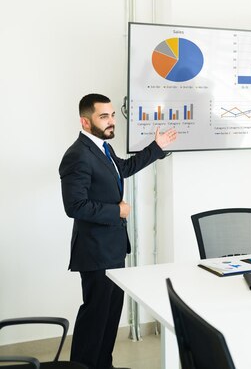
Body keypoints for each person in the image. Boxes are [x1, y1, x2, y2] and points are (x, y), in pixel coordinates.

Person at [59, 93, 177, 369]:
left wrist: (156, 147)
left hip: (112, 249)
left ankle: (104, 365)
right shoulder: (77, 155)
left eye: (112, 115)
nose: (112, 121)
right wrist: (117, 211)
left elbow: (123, 169)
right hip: (95, 251)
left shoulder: (103, 148)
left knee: (110, 316)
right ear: (85, 122)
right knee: (95, 317)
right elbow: (74, 206)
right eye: (104, 116)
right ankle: (83, 366)